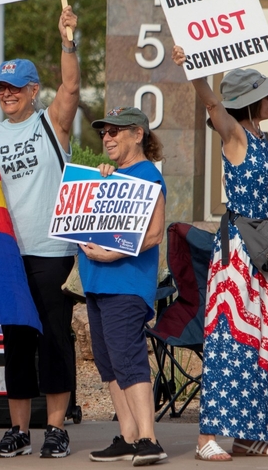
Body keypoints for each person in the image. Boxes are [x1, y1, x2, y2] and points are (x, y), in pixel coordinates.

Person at [0, 6, 80, 459]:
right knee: (15, 344)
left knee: (54, 339)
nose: (6, 94)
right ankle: (18, 431)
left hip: (52, 249)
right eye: (0, 88)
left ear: (32, 91)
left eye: (14, 88)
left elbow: (70, 86)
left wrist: (68, 40)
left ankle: (55, 429)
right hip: (7, 255)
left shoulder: (50, 124)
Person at [171, 47, 268, 461]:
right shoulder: (236, 134)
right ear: (251, 101)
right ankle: (206, 436)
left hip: (263, 252)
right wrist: (194, 69)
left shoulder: (261, 135)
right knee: (229, 337)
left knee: (260, 339)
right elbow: (210, 102)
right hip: (238, 252)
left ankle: (246, 435)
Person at [80, 108, 167, 466]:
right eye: (104, 133)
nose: (108, 138)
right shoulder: (112, 176)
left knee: (128, 359)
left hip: (126, 285)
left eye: (116, 131)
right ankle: (129, 437)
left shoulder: (147, 175)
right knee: (110, 365)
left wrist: (114, 254)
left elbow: (155, 233)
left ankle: (149, 439)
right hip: (97, 284)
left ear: (138, 134)